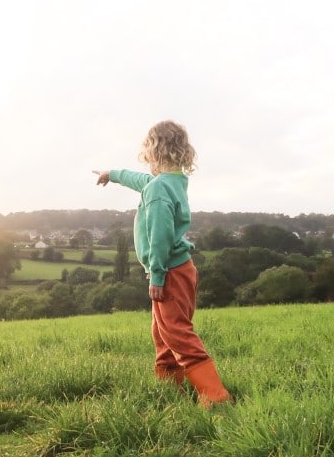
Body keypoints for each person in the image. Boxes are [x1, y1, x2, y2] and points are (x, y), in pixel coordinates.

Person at [94, 120, 233, 406]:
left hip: (168, 270)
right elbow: (142, 181)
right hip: (181, 269)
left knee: (177, 332)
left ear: (153, 150)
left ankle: (215, 395)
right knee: (163, 331)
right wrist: (114, 174)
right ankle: (171, 388)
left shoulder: (159, 189)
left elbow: (159, 237)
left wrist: (156, 275)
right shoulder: (173, 181)